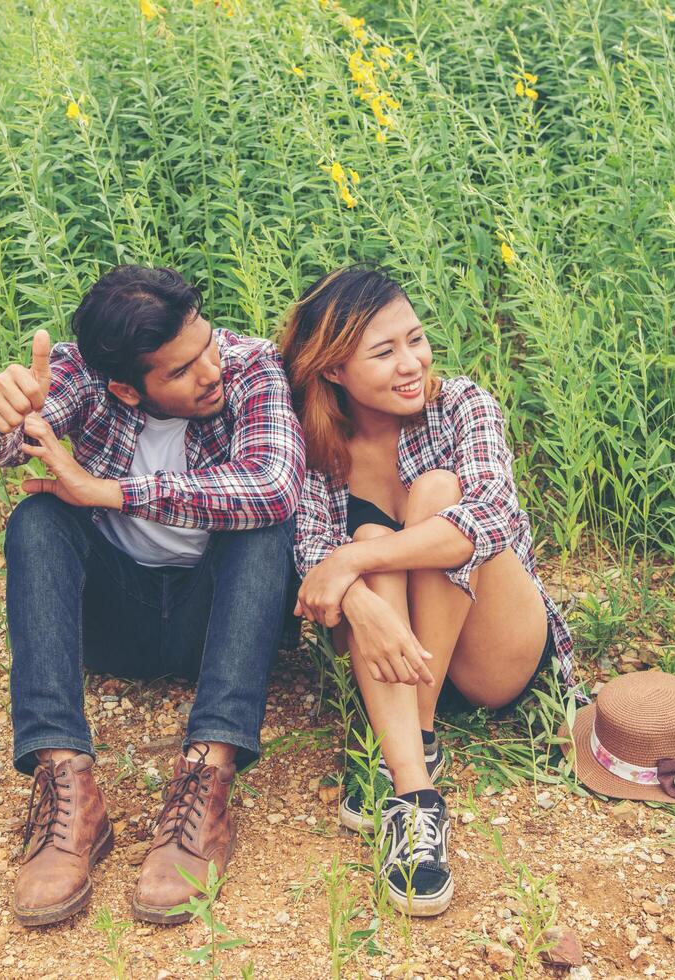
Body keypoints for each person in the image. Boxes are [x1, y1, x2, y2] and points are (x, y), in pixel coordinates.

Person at [0, 265, 304, 926]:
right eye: (179, 370)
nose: (209, 371)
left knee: (267, 524)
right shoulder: (85, 378)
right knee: (38, 520)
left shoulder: (251, 364)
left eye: (205, 345)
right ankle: (66, 787)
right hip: (117, 622)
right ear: (126, 387)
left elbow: (273, 482)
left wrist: (108, 491)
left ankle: (206, 779)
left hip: (220, 623)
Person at [279, 264, 575, 917]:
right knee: (365, 554)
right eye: (383, 353)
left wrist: (353, 560)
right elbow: (311, 566)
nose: (411, 362)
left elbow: (491, 519)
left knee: (437, 498)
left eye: (415, 339)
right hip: (385, 651)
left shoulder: (461, 404)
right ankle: (413, 794)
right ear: (332, 370)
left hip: (490, 655)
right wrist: (356, 589)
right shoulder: (311, 442)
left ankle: (410, 730)